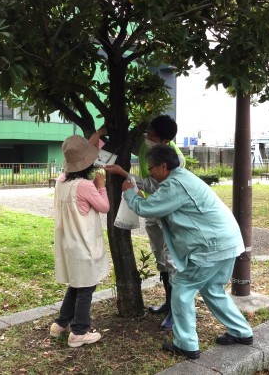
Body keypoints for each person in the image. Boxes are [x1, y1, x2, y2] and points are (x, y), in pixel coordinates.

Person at [121, 145, 253, 360]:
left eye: (151, 168)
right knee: (212, 289)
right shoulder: (183, 177)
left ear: (164, 166)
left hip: (210, 248)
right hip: (227, 242)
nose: (150, 173)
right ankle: (241, 331)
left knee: (182, 289)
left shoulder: (176, 184)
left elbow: (147, 208)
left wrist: (129, 192)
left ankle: (186, 344)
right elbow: (158, 200)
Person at [99, 115, 185, 331]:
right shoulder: (147, 146)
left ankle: (177, 312)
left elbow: (158, 188)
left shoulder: (174, 157)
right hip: (153, 213)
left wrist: (127, 180)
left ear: (160, 137)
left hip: (168, 215)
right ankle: (168, 303)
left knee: (171, 260)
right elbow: (125, 142)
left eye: (150, 131)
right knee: (161, 259)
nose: (146, 134)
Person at [49, 135, 110, 348]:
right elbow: (104, 207)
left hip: (69, 244)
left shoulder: (61, 182)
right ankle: (79, 332)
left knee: (76, 285)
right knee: (86, 288)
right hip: (84, 244)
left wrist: (98, 132)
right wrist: (101, 185)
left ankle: (60, 324)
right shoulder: (85, 185)